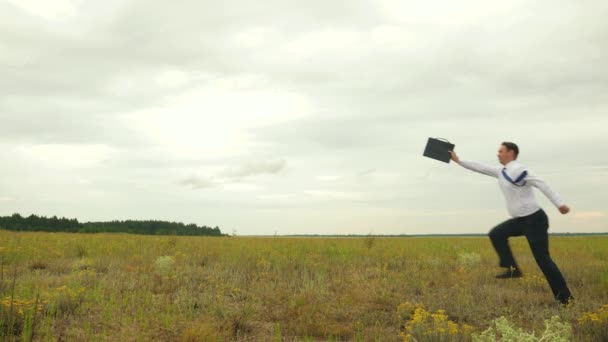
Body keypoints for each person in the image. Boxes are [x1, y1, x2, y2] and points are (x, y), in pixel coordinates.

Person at [449, 142, 574, 305]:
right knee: (496, 234)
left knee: (543, 260)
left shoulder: (519, 170)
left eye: (500, 151)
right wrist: (459, 161)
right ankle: (512, 269)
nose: (497, 154)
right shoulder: (501, 171)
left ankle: (565, 299)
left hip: (534, 220)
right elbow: (480, 167)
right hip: (520, 221)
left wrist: (559, 204)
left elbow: (541, 183)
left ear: (511, 152)